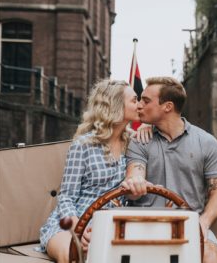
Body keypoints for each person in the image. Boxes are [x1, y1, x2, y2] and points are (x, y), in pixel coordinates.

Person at [121, 76, 217, 263]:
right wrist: (135, 184)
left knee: (209, 254)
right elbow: (134, 176)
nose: (139, 105)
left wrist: (203, 222)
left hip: (190, 223)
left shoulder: (207, 143)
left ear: (167, 107)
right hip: (145, 224)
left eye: (146, 101)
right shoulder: (140, 140)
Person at [37, 79, 141, 263]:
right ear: (116, 105)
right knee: (71, 253)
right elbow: (66, 197)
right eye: (134, 100)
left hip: (110, 225)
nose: (139, 105)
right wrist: (80, 229)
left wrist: (148, 128)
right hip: (73, 222)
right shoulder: (83, 145)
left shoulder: (134, 144)